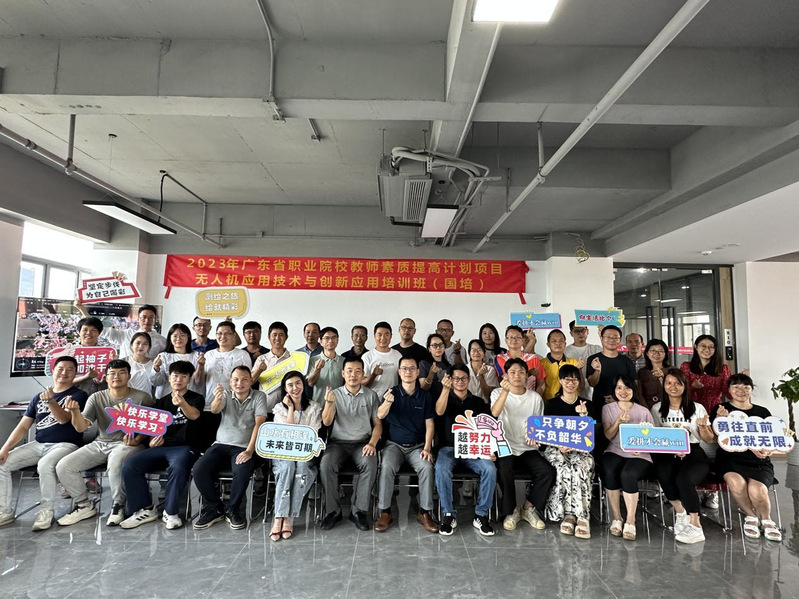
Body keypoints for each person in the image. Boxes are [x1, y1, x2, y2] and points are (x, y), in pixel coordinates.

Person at [56, 359, 154, 527]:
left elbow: (151, 427)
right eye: (112, 374)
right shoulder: (96, 397)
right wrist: (75, 412)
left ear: (129, 376)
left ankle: (118, 505)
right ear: (106, 377)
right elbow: (81, 427)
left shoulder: (142, 397)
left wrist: (137, 440)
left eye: (122, 373)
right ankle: (84, 505)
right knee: (64, 465)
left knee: (115, 463)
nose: (116, 377)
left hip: (128, 445)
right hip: (100, 443)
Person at [0, 357, 88, 531]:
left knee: (45, 465)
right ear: (52, 371)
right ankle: (4, 511)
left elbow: (64, 419)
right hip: (39, 444)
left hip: (66, 445)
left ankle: (46, 510)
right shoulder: (37, 398)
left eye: (70, 369)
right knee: (2, 463)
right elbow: (23, 426)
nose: (64, 372)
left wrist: (51, 402)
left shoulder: (79, 395)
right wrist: (5, 448)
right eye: (60, 368)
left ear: (75, 374)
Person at [119, 360, 204, 530]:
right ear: (169, 378)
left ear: (189, 379)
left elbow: (194, 415)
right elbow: (153, 428)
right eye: (175, 376)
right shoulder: (161, 402)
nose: (178, 379)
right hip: (162, 447)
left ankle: (170, 512)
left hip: (186, 448)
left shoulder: (196, 398)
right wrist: (151, 441)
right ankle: (145, 509)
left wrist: (182, 404)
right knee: (130, 465)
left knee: (178, 468)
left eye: (183, 376)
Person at [192, 366, 267, 530]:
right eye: (236, 380)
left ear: (251, 381)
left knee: (242, 471)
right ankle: (215, 507)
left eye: (244, 379)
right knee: (199, 469)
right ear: (230, 382)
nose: (240, 383)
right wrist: (217, 399)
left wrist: (249, 450)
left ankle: (233, 509)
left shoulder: (259, 396)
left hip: (244, 446)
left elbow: (260, 424)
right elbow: (215, 410)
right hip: (221, 444)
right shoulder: (225, 393)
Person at [710, 373, 781, 542]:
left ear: (751, 390)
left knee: (757, 490)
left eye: (745, 387)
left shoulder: (762, 412)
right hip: (729, 459)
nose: (741, 390)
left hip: (757, 460)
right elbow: (713, 437)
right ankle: (750, 516)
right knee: (736, 483)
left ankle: (766, 519)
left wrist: (767, 451)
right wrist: (720, 420)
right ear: (729, 390)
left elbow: (771, 438)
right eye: (736, 387)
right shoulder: (721, 409)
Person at [375, 356, 438, 533]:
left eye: (412, 368)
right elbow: (379, 415)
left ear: (417, 372)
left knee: (426, 467)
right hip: (393, 445)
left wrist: (427, 448)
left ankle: (425, 512)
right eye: (404, 368)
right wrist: (388, 402)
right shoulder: (391, 392)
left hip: (417, 446)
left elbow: (430, 424)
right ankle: (385, 512)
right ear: (399, 372)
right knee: (386, 466)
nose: (408, 372)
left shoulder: (425, 396)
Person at [650, 367, 713, 544]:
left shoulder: (697, 408)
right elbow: (654, 436)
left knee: (684, 479)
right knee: (663, 473)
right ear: (663, 385)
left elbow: (708, 439)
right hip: (666, 452)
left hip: (693, 451)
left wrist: (703, 427)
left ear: (685, 385)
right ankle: (680, 513)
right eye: (668, 383)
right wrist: (671, 446)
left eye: (678, 383)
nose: (673, 387)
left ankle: (695, 525)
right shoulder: (657, 408)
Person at [319, 357, 382, 532]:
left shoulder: (371, 395)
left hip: (362, 443)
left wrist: (372, 444)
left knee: (370, 463)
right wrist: (329, 403)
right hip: (337, 443)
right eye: (349, 371)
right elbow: (326, 422)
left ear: (363, 374)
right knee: (326, 464)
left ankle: (358, 511)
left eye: (357, 371)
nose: (353, 375)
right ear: (343, 373)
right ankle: (333, 511)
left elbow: (378, 424)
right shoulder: (334, 394)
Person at [491, 358, 554, 531]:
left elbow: (538, 425)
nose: (517, 375)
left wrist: (536, 438)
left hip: (527, 447)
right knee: (504, 470)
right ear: (505, 375)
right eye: (512, 372)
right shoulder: (497, 393)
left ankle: (528, 507)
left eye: (521, 372)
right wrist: (505, 391)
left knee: (547, 472)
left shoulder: (535, 398)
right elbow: (494, 413)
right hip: (505, 446)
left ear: (527, 376)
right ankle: (511, 511)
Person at [434, 364, 496, 536]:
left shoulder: (478, 402)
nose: (460, 381)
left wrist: (488, 449)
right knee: (441, 468)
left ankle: (481, 514)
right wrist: (445, 389)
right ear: (450, 380)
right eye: (456, 378)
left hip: (473, 449)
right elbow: (439, 412)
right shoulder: (444, 398)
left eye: (463, 378)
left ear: (469, 380)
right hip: (449, 448)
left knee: (489, 469)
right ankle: (448, 514)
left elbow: (487, 428)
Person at [269, 371, 322, 541]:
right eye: (290, 385)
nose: (295, 388)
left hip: (305, 453)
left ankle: (288, 517)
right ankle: (279, 517)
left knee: (302, 467)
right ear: (285, 389)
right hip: (283, 453)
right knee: (287, 467)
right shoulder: (279, 409)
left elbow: (312, 435)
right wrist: (291, 409)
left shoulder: (314, 407)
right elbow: (286, 435)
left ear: (303, 385)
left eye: (298, 383)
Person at [542, 364, 594, 539]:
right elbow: (545, 433)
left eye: (574, 379)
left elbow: (591, 436)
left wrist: (584, 416)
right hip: (556, 448)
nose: (571, 383)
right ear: (560, 380)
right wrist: (558, 445)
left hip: (581, 450)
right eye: (567, 379)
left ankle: (582, 516)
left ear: (579, 382)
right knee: (562, 468)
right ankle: (567, 515)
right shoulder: (551, 404)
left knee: (579, 467)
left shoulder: (588, 405)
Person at [680, 334, 731, 511]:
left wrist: (738, 383)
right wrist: (691, 387)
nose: (706, 350)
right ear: (695, 347)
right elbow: (679, 390)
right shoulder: (686, 367)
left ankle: (712, 491)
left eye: (710, 347)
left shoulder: (722, 369)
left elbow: (727, 393)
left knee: (712, 451)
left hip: (714, 412)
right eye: (703, 346)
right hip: (691, 412)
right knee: (693, 449)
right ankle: (693, 487)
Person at [602, 374, 653, 541]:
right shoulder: (608, 409)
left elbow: (653, 438)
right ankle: (617, 517)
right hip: (615, 449)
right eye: (619, 388)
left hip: (640, 454)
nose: (623, 391)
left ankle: (631, 520)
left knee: (628, 474)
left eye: (627, 388)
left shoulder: (644, 411)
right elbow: (608, 435)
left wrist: (642, 447)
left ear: (633, 390)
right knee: (610, 470)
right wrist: (618, 421)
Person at [195, 321, 251, 450]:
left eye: (227, 333)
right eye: (219, 333)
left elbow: (248, 381)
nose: (222, 336)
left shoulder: (242, 355)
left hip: (234, 407)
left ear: (234, 335)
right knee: (209, 445)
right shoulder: (208, 355)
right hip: (210, 405)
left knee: (231, 444)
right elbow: (199, 382)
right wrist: (201, 366)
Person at [76, 302, 166, 360]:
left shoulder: (162, 341)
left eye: (151, 317)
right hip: (124, 377)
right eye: (144, 317)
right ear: (138, 319)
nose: (147, 321)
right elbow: (99, 328)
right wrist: (82, 309)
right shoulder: (126, 334)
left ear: (155, 319)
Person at [586, 325, 637, 425]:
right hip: (599, 404)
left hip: (622, 405)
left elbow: (634, 385)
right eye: (608, 337)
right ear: (601, 338)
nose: (612, 340)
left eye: (615, 337)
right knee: (601, 432)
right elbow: (592, 383)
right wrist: (597, 371)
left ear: (620, 340)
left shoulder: (626, 361)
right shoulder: (594, 359)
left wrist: (616, 397)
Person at [150, 323, 203, 399]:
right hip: (166, 399)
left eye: (182, 335)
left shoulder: (197, 356)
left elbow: (199, 383)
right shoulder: (163, 356)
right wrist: (156, 368)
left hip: (190, 399)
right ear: (170, 338)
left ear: (188, 337)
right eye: (175, 336)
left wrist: (201, 366)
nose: (178, 338)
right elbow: (156, 382)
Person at [494, 325, 547, 396]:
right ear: (506, 340)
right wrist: (529, 373)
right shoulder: (500, 358)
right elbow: (509, 379)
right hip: (508, 398)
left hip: (530, 398)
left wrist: (535, 398)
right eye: (511, 337)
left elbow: (541, 383)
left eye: (517, 337)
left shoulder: (533, 359)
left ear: (522, 340)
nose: (514, 340)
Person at [251, 321, 293, 410]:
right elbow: (250, 381)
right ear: (269, 337)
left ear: (286, 337)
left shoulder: (292, 359)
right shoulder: (262, 359)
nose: (277, 338)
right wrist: (259, 370)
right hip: (265, 408)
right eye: (274, 335)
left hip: (287, 408)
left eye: (281, 335)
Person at [70, 316, 110, 396]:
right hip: (76, 396)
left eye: (93, 330)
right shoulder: (70, 353)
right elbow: (64, 381)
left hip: (101, 396)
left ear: (99, 333)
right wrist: (85, 377)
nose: (88, 333)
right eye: (85, 330)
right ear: (79, 332)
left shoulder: (106, 353)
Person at [362, 322, 403, 398]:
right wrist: (373, 375)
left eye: (386, 334)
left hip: (393, 398)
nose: (383, 338)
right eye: (379, 334)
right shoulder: (367, 356)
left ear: (391, 336)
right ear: (374, 336)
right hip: (373, 399)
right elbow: (362, 384)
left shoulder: (397, 355)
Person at [541, 329, 583, 401]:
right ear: (548, 344)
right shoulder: (541, 364)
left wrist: (579, 369)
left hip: (571, 402)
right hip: (549, 402)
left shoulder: (573, 362)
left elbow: (581, 387)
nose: (558, 343)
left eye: (561, 341)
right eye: (554, 341)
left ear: (565, 344)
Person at [307, 326, 345, 406]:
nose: (330, 341)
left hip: (339, 405)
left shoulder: (344, 361)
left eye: (333, 338)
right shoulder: (313, 360)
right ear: (321, 341)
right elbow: (310, 383)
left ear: (337, 340)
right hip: (318, 405)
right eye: (327, 338)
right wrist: (317, 369)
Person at [564, 321, 601, 400]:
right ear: (571, 333)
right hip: (571, 393)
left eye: (583, 330)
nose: (580, 333)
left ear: (587, 332)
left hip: (593, 393)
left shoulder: (596, 349)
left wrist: (602, 334)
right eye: (576, 331)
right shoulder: (565, 351)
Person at [637, 339, 670, 409]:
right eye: (653, 350)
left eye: (660, 351)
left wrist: (663, 378)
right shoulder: (642, 372)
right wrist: (646, 410)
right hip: (648, 408)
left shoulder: (673, 370)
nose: (657, 353)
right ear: (647, 353)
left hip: (668, 407)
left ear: (665, 354)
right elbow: (639, 394)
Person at [418, 333, 451, 400]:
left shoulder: (448, 365)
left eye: (440, 345)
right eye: (434, 345)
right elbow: (423, 388)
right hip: (429, 401)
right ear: (429, 349)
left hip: (446, 400)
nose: (438, 348)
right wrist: (431, 373)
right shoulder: (424, 364)